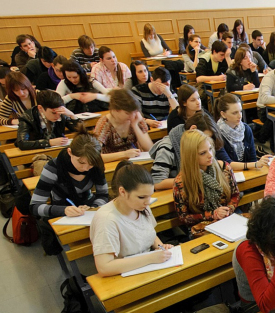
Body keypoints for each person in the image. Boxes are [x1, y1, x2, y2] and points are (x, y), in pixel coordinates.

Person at [30, 125, 108, 255]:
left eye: (90, 164)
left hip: (87, 209)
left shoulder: (96, 165)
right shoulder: (53, 168)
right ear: (70, 152)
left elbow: (103, 195)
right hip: (61, 210)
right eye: (81, 162)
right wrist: (64, 210)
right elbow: (34, 206)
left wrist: (93, 207)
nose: (86, 168)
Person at [90, 162, 173, 277]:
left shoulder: (141, 206)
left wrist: (161, 247)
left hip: (147, 268)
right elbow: (104, 267)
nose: (147, 202)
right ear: (122, 192)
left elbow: (149, 234)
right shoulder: (107, 219)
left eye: (150, 196)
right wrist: (150, 258)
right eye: (141, 197)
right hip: (123, 275)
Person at [173, 129, 239, 237]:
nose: (210, 155)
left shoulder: (224, 168)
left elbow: (235, 195)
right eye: (203, 153)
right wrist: (212, 215)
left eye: (210, 149)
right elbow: (184, 217)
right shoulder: (181, 182)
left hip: (227, 218)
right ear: (191, 156)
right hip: (202, 227)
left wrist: (228, 210)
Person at [93, 89, 153, 163]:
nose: (132, 116)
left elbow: (149, 149)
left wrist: (135, 125)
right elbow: (94, 156)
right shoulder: (105, 123)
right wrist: (124, 154)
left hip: (134, 161)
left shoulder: (136, 118)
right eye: (127, 113)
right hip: (112, 163)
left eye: (134, 112)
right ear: (115, 110)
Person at [215, 93, 271, 172]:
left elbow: (252, 158)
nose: (240, 116)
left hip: (247, 172)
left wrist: (255, 164)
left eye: (240, 111)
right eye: (235, 113)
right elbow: (227, 164)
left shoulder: (246, 129)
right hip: (228, 174)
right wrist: (255, 164)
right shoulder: (217, 134)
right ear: (223, 114)